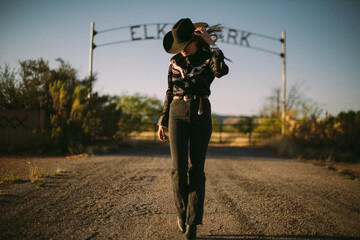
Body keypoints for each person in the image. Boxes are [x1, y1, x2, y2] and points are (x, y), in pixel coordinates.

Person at [157, 18, 229, 240]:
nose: (182, 51)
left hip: (200, 111)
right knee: (178, 169)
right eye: (178, 47)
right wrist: (162, 120)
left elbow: (221, 71)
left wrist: (213, 45)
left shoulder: (209, 58)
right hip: (177, 112)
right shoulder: (174, 62)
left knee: (196, 169)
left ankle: (192, 222)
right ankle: (181, 212)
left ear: (194, 41)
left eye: (184, 46)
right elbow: (169, 91)